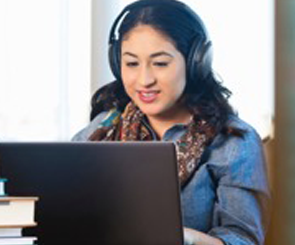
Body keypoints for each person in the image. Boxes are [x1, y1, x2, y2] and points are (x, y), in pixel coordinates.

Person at [72, 0, 270, 244]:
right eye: (132, 63)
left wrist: (184, 237)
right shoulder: (102, 130)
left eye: (160, 63)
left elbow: (243, 239)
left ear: (196, 62)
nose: (144, 80)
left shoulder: (234, 142)